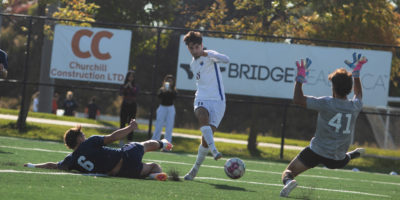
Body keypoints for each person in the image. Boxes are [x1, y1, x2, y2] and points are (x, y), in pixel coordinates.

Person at [279, 53, 368, 197]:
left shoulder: (326, 103)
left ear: (333, 87)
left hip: (316, 152)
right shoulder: (354, 106)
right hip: (337, 159)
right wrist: (356, 74)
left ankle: (289, 182)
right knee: (345, 158)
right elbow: (359, 95)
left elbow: (298, 99)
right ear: (349, 89)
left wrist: (300, 78)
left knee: (288, 172)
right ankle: (354, 154)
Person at [23, 119, 173, 180]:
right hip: (125, 157)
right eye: (81, 133)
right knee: (143, 145)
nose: (84, 134)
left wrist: (33, 165)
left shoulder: (71, 160)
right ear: (78, 138)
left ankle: (152, 176)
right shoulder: (90, 142)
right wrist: (130, 128)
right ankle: (164, 143)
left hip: (120, 173)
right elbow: (113, 137)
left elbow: (53, 166)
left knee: (150, 167)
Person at [182, 31, 230, 181]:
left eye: (197, 47)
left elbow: (226, 59)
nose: (195, 50)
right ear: (188, 48)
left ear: (201, 45)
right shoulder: (192, 64)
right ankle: (214, 150)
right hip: (201, 98)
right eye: (191, 48)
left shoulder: (209, 55)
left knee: (204, 141)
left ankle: (195, 169)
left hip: (218, 101)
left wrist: (208, 54)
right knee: (202, 116)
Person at [151, 74, 178, 143]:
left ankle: (167, 145)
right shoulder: (162, 89)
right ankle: (154, 142)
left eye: (171, 81)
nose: (169, 82)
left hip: (170, 108)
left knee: (169, 127)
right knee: (158, 126)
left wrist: (169, 90)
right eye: (168, 80)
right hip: (162, 108)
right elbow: (159, 96)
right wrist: (164, 91)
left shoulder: (174, 90)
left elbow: (174, 97)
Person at [119, 71, 139, 145]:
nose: (130, 78)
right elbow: (120, 93)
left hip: (132, 106)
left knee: (131, 123)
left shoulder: (135, 86)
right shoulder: (123, 85)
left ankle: (129, 141)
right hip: (125, 105)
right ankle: (121, 140)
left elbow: (136, 93)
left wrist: (131, 87)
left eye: (132, 77)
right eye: (129, 76)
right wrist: (125, 87)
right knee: (122, 123)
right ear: (127, 77)